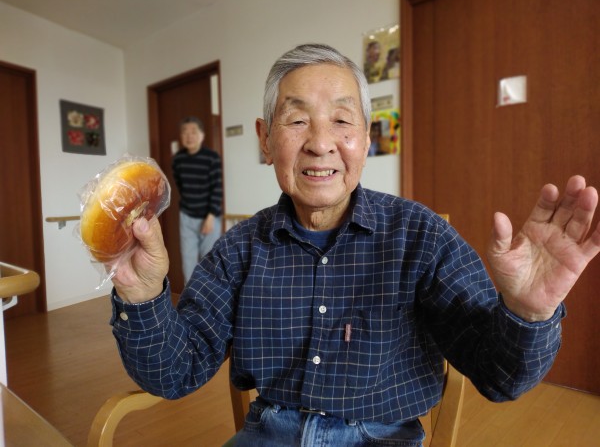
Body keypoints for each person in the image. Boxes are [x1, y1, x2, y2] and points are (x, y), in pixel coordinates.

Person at [110, 44, 600, 446]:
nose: (320, 142)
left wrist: (529, 313)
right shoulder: (238, 250)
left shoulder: (422, 236)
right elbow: (175, 372)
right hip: (269, 434)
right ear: (265, 140)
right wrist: (143, 295)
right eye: (296, 120)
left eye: (343, 121)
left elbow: (499, 376)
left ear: (366, 139)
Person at [172, 116, 223, 282]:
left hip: (209, 217)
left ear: (202, 135)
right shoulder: (178, 159)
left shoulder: (212, 157)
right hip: (187, 216)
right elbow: (180, 185)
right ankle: (190, 298)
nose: (189, 136)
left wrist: (211, 216)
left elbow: (217, 188)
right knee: (188, 264)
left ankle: (209, 297)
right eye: (185, 132)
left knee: (209, 263)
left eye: (193, 132)